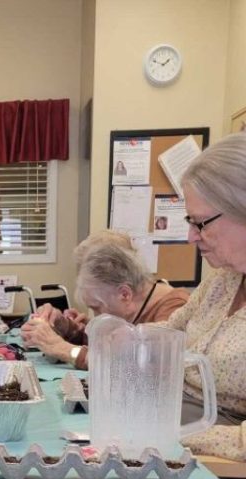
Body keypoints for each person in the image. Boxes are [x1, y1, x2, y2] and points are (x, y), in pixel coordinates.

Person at [161, 131, 246, 460]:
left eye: (200, 223)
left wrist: (172, 434)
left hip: (207, 457)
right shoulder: (223, 279)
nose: (190, 237)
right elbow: (166, 336)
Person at [20, 234, 188, 369]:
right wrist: (65, 326)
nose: (96, 316)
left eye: (97, 307)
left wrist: (62, 348)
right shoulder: (128, 304)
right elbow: (110, 343)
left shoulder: (174, 309)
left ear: (124, 294)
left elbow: (134, 364)